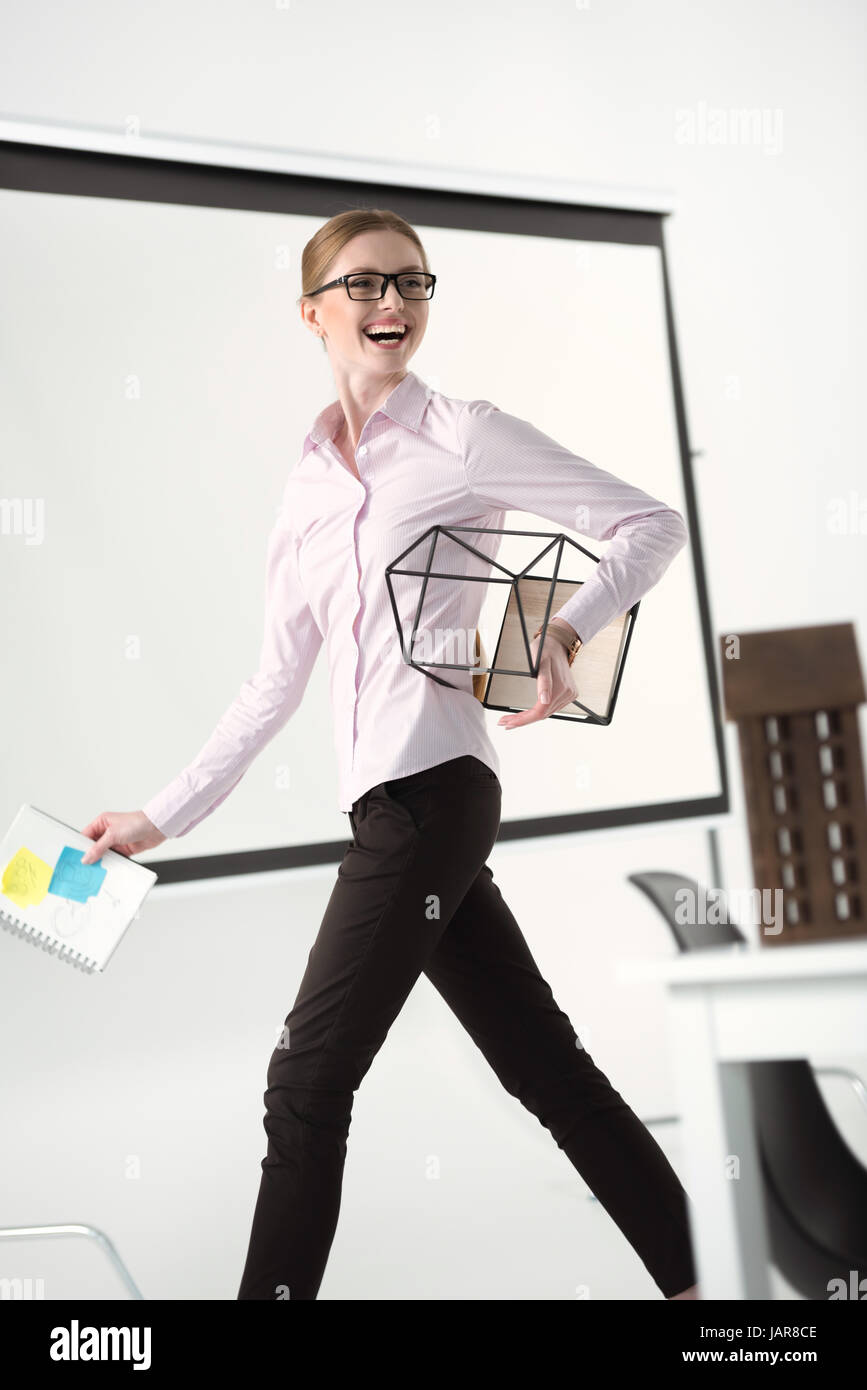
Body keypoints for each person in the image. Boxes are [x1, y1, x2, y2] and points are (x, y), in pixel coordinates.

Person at [81, 208, 699, 1301]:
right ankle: (710, 1286)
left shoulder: (466, 432)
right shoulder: (309, 486)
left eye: (413, 283)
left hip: (437, 794)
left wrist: (554, 627)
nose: (393, 304)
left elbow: (648, 523)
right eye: (365, 285)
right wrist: (157, 817)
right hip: (390, 813)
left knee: (306, 1079)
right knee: (546, 1067)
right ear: (312, 311)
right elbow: (273, 681)